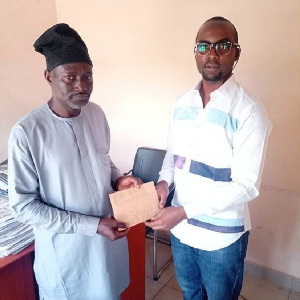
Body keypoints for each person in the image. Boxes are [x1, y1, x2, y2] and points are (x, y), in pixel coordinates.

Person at [8, 23, 142, 300]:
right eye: (70, 77)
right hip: (68, 254)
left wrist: (118, 179)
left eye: (88, 77)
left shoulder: (96, 114)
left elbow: (102, 161)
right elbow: (23, 207)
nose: (82, 86)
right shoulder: (28, 133)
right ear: (49, 76)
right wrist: (91, 225)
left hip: (108, 245)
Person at [146, 16, 271, 300]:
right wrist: (164, 184)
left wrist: (182, 211)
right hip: (181, 232)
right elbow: (173, 157)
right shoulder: (181, 104)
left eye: (222, 45)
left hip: (221, 239)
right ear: (195, 52)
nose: (212, 54)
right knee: (191, 294)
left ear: (236, 53)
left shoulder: (249, 111)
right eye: (204, 46)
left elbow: (246, 185)